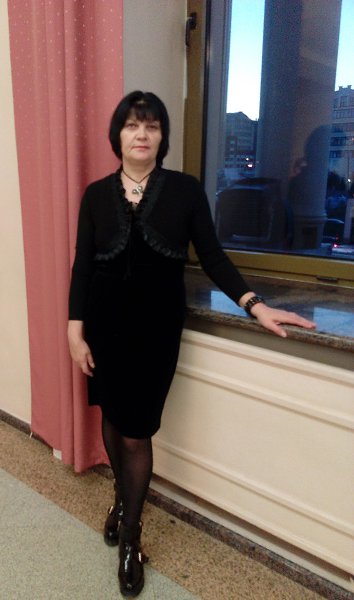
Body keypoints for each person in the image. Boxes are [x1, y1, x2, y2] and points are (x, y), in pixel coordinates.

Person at [68, 91, 315, 597]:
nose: (142, 134)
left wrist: (255, 304)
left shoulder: (184, 190)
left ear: (162, 136)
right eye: (132, 125)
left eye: (152, 126)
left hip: (155, 331)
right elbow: (82, 265)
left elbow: (214, 257)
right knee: (111, 416)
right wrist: (74, 329)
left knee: (136, 432)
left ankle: (131, 536)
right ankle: (121, 498)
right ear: (118, 135)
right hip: (103, 326)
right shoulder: (94, 195)